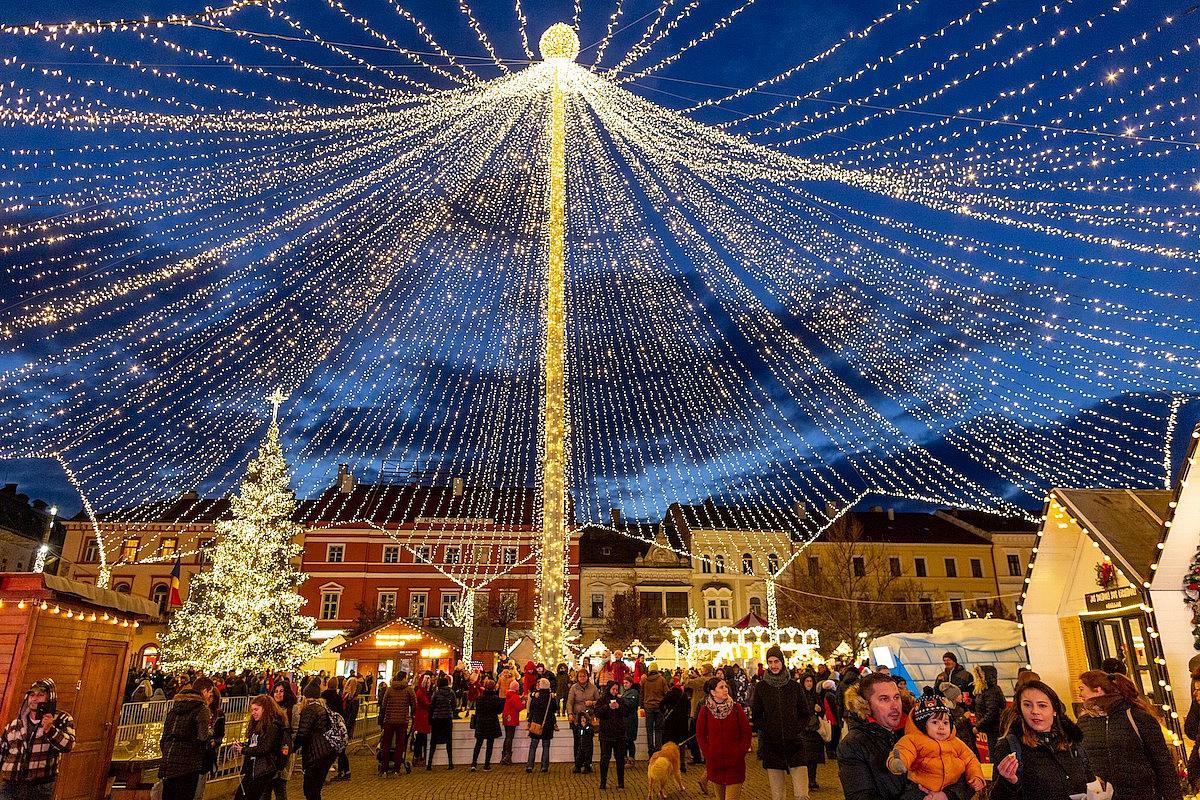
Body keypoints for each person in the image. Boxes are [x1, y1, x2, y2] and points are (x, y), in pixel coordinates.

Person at [838, 672, 970, 800]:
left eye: (896, 697)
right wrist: (918, 795)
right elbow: (860, 795)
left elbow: (963, 772)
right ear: (865, 704)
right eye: (884, 699)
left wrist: (947, 795)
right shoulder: (853, 744)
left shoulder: (921, 730)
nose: (895, 706)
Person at [1076, 669, 1182, 800]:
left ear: (1098, 690)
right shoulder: (1084, 722)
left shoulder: (1137, 717)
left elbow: (1162, 763)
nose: (1080, 695)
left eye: (1082, 689)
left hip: (1140, 795)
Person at [990, 680, 1091, 800]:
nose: (1035, 711)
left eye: (1042, 705)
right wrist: (1008, 784)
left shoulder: (1071, 741)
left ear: (1054, 710)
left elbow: (1090, 781)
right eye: (1027, 705)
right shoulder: (1010, 746)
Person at [886, 690, 985, 796]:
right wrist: (899, 762)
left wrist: (976, 776)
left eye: (946, 722)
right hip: (920, 789)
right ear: (923, 725)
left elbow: (970, 759)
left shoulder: (955, 742)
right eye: (935, 722)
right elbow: (904, 750)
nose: (941, 727)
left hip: (952, 787)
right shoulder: (913, 739)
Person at [750, 646, 811, 800]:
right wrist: (768, 729)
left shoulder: (794, 687)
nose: (773, 665)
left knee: (802, 794)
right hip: (773, 747)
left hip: (795, 745)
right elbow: (756, 716)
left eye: (776, 661)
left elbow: (805, 714)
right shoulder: (761, 688)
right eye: (770, 662)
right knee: (777, 796)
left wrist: (796, 729)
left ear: (782, 662)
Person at [0, 679, 76, 800]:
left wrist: (50, 729)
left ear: (49, 698)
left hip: (40, 786)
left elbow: (68, 745)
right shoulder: (15, 723)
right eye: (32, 695)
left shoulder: (61, 719)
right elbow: (2, 751)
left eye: (40, 695)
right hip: (9, 785)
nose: (35, 698)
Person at [696, 677, 752, 800]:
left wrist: (740, 751)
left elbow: (746, 733)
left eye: (726, 686)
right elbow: (700, 734)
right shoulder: (705, 710)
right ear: (712, 692)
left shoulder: (736, 708)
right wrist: (708, 752)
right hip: (715, 763)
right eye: (721, 687)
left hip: (735, 763)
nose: (726, 689)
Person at [158, 678, 214, 800]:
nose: (210, 695)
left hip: (169, 762)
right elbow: (203, 736)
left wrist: (168, 752)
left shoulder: (175, 708)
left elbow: (165, 735)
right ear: (204, 691)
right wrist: (210, 733)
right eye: (210, 692)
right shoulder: (201, 709)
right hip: (189, 764)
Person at [232, 695, 288, 800]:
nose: (253, 713)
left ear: (265, 709)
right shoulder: (259, 724)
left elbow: (265, 748)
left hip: (263, 769)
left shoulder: (273, 726)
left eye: (256, 709)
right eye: (252, 710)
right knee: (242, 795)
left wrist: (244, 750)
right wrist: (244, 745)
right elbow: (257, 744)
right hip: (255, 768)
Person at [295, 681, 337, 800]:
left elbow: (303, 734)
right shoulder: (322, 708)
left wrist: (290, 749)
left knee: (310, 790)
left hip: (315, 754)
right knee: (316, 789)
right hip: (325, 752)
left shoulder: (309, 710)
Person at [594, 680, 632, 790]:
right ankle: (603, 782)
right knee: (605, 758)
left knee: (620, 758)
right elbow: (597, 712)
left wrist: (619, 707)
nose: (615, 691)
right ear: (609, 689)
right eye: (613, 689)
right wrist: (607, 707)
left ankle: (621, 782)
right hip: (606, 734)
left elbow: (626, 712)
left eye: (616, 689)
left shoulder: (620, 700)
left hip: (619, 734)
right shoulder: (602, 700)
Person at [379, 671, 416, 775]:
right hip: (402, 720)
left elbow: (384, 705)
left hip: (389, 720)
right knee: (400, 744)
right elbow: (414, 704)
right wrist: (412, 714)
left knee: (386, 744)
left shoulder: (389, 690)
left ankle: (384, 768)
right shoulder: (409, 690)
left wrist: (383, 718)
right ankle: (396, 768)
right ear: (404, 678)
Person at [567, 668, 599, 773]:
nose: (582, 678)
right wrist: (570, 714)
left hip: (589, 719)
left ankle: (587, 764)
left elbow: (599, 701)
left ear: (587, 677)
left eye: (584, 676)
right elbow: (570, 702)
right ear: (577, 677)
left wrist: (592, 703)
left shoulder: (593, 688)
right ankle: (577, 764)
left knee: (588, 743)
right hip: (577, 719)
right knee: (577, 742)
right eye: (580, 676)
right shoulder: (573, 688)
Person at [196, 685, 225, 800]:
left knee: (199, 789)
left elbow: (220, 734)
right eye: (208, 695)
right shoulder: (198, 710)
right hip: (194, 754)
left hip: (206, 755)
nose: (209, 698)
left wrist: (215, 742)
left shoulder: (219, 714)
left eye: (212, 696)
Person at [798, 674, 826, 790]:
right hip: (805, 731)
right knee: (806, 758)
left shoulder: (816, 695)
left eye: (811, 681)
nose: (809, 683)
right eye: (807, 681)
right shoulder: (800, 696)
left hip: (816, 731)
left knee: (814, 758)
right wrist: (812, 708)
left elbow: (822, 711)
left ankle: (812, 779)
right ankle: (806, 780)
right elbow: (799, 712)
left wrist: (820, 710)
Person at [271, 682, 298, 800]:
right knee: (267, 787)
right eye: (276, 691)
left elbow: (295, 731)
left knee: (280, 786)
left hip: (284, 753)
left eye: (281, 691)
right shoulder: (270, 708)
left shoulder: (293, 709)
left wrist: (287, 745)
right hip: (270, 752)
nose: (278, 694)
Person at [525, 677, 559, 773]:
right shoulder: (551, 698)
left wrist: (529, 722)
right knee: (546, 746)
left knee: (533, 746)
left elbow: (531, 710)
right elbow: (554, 710)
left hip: (536, 724)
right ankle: (544, 766)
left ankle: (530, 766)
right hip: (548, 725)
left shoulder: (536, 697)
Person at [972, 665, 1004, 760]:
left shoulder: (991, 691)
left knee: (995, 755)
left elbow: (992, 712)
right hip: (992, 728)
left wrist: (978, 726)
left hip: (994, 728)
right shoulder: (985, 690)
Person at [470, 679, 502, 771]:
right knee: (489, 744)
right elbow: (499, 711)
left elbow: (477, 711)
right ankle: (486, 765)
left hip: (481, 722)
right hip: (491, 722)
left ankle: (474, 763)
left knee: (478, 743)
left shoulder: (480, 698)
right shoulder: (495, 698)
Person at [660, 681, 692, 774]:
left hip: (670, 723)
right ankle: (682, 764)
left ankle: (668, 764)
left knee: (668, 744)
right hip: (682, 723)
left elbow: (661, 704)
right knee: (681, 745)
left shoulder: (669, 694)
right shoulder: (684, 696)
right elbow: (688, 708)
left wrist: (665, 712)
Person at [320, 684, 350, 781]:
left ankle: (336, 772)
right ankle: (345, 770)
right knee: (340, 751)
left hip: (330, 726)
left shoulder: (323, 696)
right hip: (337, 726)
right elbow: (341, 711)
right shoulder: (337, 697)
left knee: (330, 751)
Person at [426, 676, 456, 770]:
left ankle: (430, 764)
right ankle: (450, 763)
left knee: (434, 741)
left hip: (437, 718)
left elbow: (432, 706)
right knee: (448, 741)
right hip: (447, 718)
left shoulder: (436, 693)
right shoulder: (451, 693)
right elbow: (454, 705)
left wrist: (430, 719)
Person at [686, 664, 713, 766]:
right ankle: (707, 757)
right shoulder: (712, 680)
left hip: (696, 711)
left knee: (693, 734)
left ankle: (696, 756)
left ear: (706, 670)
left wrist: (688, 676)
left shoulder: (700, 680)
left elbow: (687, 684)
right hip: (708, 711)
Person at [640, 661, 667, 756]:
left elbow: (641, 694)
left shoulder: (644, 680)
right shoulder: (662, 679)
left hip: (648, 707)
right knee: (658, 730)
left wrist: (642, 706)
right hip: (659, 707)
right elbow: (666, 693)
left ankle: (650, 752)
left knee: (649, 730)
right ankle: (658, 751)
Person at [500, 680, 525, 766]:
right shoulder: (514, 696)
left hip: (506, 718)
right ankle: (507, 757)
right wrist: (523, 703)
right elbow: (519, 707)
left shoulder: (508, 695)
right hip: (512, 718)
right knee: (510, 738)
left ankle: (503, 756)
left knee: (507, 737)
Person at [412, 672, 432, 766]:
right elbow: (426, 704)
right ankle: (418, 757)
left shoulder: (422, 692)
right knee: (420, 738)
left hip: (422, 717)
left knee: (421, 738)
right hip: (422, 717)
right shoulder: (421, 693)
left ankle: (419, 756)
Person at [620, 675, 640, 764]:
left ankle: (631, 758)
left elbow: (630, 704)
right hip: (625, 719)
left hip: (631, 720)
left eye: (626, 683)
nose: (625, 684)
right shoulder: (625, 693)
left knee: (630, 740)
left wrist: (621, 699)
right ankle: (625, 758)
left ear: (631, 683)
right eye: (624, 683)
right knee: (624, 740)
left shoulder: (634, 692)